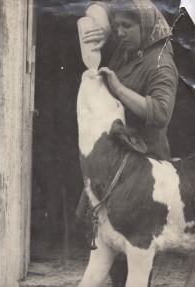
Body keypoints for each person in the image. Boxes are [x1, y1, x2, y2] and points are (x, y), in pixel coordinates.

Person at [75, 0, 181, 286]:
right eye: (117, 26)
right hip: (117, 163)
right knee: (109, 242)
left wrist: (118, 89)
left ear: (144, 27)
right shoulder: (129, 49)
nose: (119, 32)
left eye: (127, 27)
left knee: (135, 247)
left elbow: (160, 113)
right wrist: (100, 24)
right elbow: (101, 6)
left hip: (143, 167)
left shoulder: (160, 63)